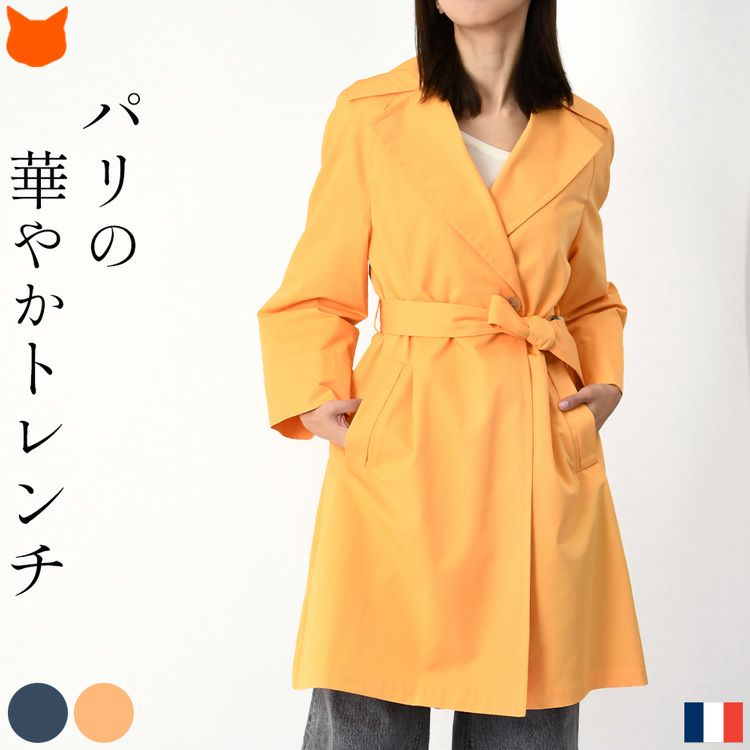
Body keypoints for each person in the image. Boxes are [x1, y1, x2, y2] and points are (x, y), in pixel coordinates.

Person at [257, 0, 648, 747]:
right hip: (406, 444)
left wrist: (601, 386)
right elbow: (314, 291)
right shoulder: (371, 115)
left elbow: (590, 296)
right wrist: (316, 399)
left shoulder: (584, 134)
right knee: (368, 713)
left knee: (528, 715)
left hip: (533, 451)